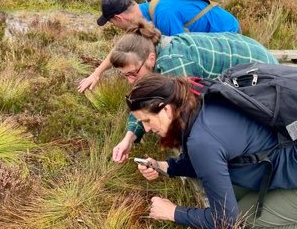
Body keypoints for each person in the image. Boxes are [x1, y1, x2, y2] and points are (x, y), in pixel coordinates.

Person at [126, 74, 297, 229]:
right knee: (231, 199)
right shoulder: (198, 98)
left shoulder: (201, 140)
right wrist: (164, 166)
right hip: (281, 160)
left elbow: (227, 221)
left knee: (244, 221)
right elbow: (209, 159)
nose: (146, 129)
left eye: (147, 120)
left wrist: (173, 212)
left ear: (165, 108)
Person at [110, 19, 278, 163]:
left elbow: (188, 115)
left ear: (150, 59)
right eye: (125, 75)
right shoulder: (153, 49)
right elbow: (144, 103)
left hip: (260, 71)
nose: (131, 81)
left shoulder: (173, 65)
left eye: (133, 73)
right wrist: (129, 138)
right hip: (248, 55)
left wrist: (181, 160)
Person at [78, 0, 240, 92]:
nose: (117, 28)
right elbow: (122, 48)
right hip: (211, 34)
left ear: (119, 18)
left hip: (228, 35)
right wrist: (96, 74)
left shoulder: (163, 14)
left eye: (113, 23)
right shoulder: (142, 13)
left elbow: (183, 51)